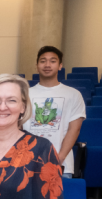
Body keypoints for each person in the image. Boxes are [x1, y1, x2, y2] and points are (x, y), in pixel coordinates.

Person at [23, 46, 85, 177]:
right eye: (43, 61)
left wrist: (59, 158)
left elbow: (74, 129)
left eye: (52, 61)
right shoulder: (25, 94)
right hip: (28, 163)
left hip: (61, 164)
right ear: (36, 65)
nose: (47, 64)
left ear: (60, 65)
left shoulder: (73, 94)